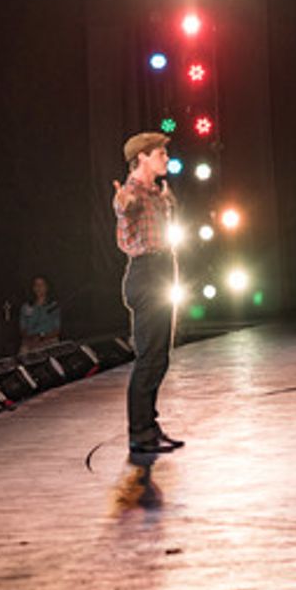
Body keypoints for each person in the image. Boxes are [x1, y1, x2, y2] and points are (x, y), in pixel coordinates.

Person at [112, 132, 183, 455]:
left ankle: (149, 426)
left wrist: (168, 203)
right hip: (146, 272)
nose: (166, 158)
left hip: (163, 270)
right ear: (141, 157)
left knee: (160, 357)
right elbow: (124, 209)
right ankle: (138, 431)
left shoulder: (157, 192)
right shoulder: (131, 192)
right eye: (160, 154)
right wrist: (125, 207)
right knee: (148, 358)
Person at [19, 274, 62, 353]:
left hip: (49, 341)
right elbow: (22, 329)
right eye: (36, 285)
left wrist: (42, 337)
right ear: (33, 288)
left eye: (42, 285)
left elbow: (57, 330)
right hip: (30, 342)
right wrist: (31, 338)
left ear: (47, 287)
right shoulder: (26, 306)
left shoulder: (53, 305)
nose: (39, 288)